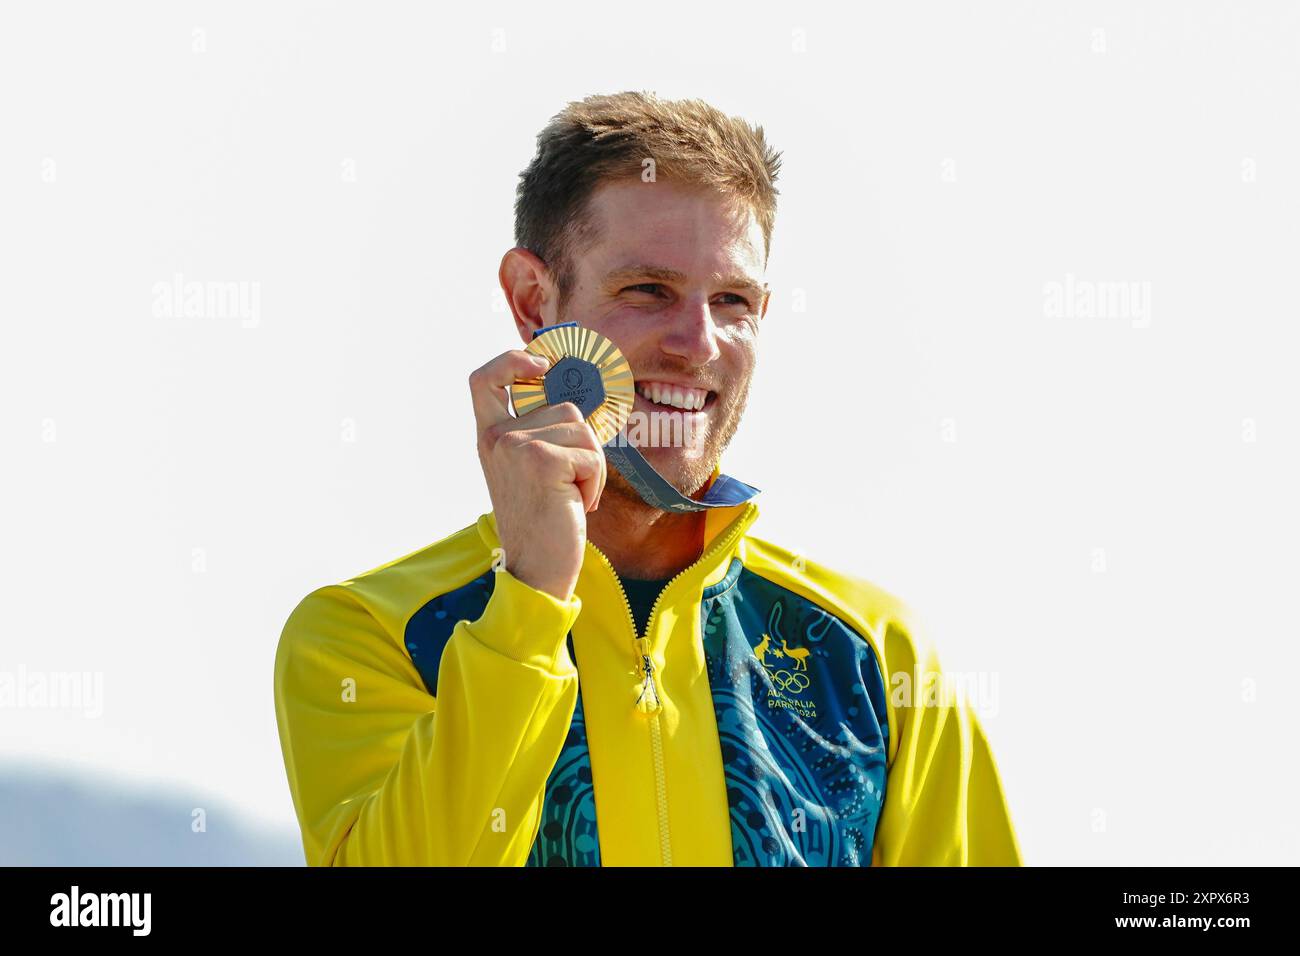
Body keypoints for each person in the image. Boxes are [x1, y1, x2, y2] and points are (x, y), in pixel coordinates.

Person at [273, 90, 1023, 867]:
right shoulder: (367, 637)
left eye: (732, 301)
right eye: (648, 290)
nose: (697, 345)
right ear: (534, 300)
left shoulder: (880, 658)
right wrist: (528, 602)